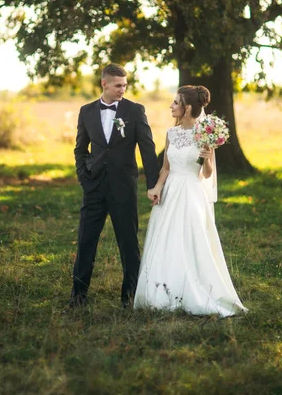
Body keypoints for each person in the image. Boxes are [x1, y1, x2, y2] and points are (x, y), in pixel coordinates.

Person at [134, 85, 247, 317]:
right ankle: (162, 290)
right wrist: (156, 188)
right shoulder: (171, 133)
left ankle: (193, 289)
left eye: (175, 102)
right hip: (171, 191)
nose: (171, 106)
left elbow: (207, 174)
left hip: (191, 192)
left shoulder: (204, 133)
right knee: (166, 239)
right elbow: (166, 167)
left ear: (186, 108)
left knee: (188, 239)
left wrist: (206, 158)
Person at [70, 63, 159, 308]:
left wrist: (153, 184)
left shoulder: (134, 110)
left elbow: (148, 150)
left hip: (124, 187)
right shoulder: (86, 111)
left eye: (125, 85)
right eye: (118, 85)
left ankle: (130, 297)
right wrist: (83, 175)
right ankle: (78, 297)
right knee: (86, 240)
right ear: (104, 84)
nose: (123, 90)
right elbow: (80, 148)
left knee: (128, 242)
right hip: (94, 187)